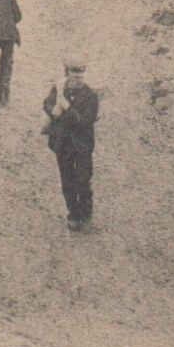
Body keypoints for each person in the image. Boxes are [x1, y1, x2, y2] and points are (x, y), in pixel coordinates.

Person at [43, 61, 100, 231]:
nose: (80, 80)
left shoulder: (90, 95)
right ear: (68, 74)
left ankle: (86, 214)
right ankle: (73, 215)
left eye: (82, 76)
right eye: (76, 76)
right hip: (63, 143)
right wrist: (53, 108)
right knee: (67, 181)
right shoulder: (59, 89)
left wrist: (66, 107)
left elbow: (84, 121)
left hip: (82, 145)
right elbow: (47, 103)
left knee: (83, 180)